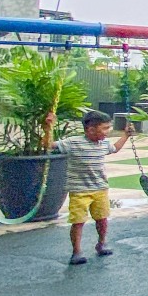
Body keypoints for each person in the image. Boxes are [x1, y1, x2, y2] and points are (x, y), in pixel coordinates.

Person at [46, 108, 133, 264]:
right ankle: (77, 251)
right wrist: (48, 128)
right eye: (105, 128)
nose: (108, 131)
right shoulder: (73, 142)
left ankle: (101, 243)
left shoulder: (104, 143)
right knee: (78, 221)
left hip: (100, 189)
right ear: (91, 129)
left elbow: (115, 148)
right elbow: (48, 145)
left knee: (102, 219)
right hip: (79, 191)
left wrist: (126, 135)